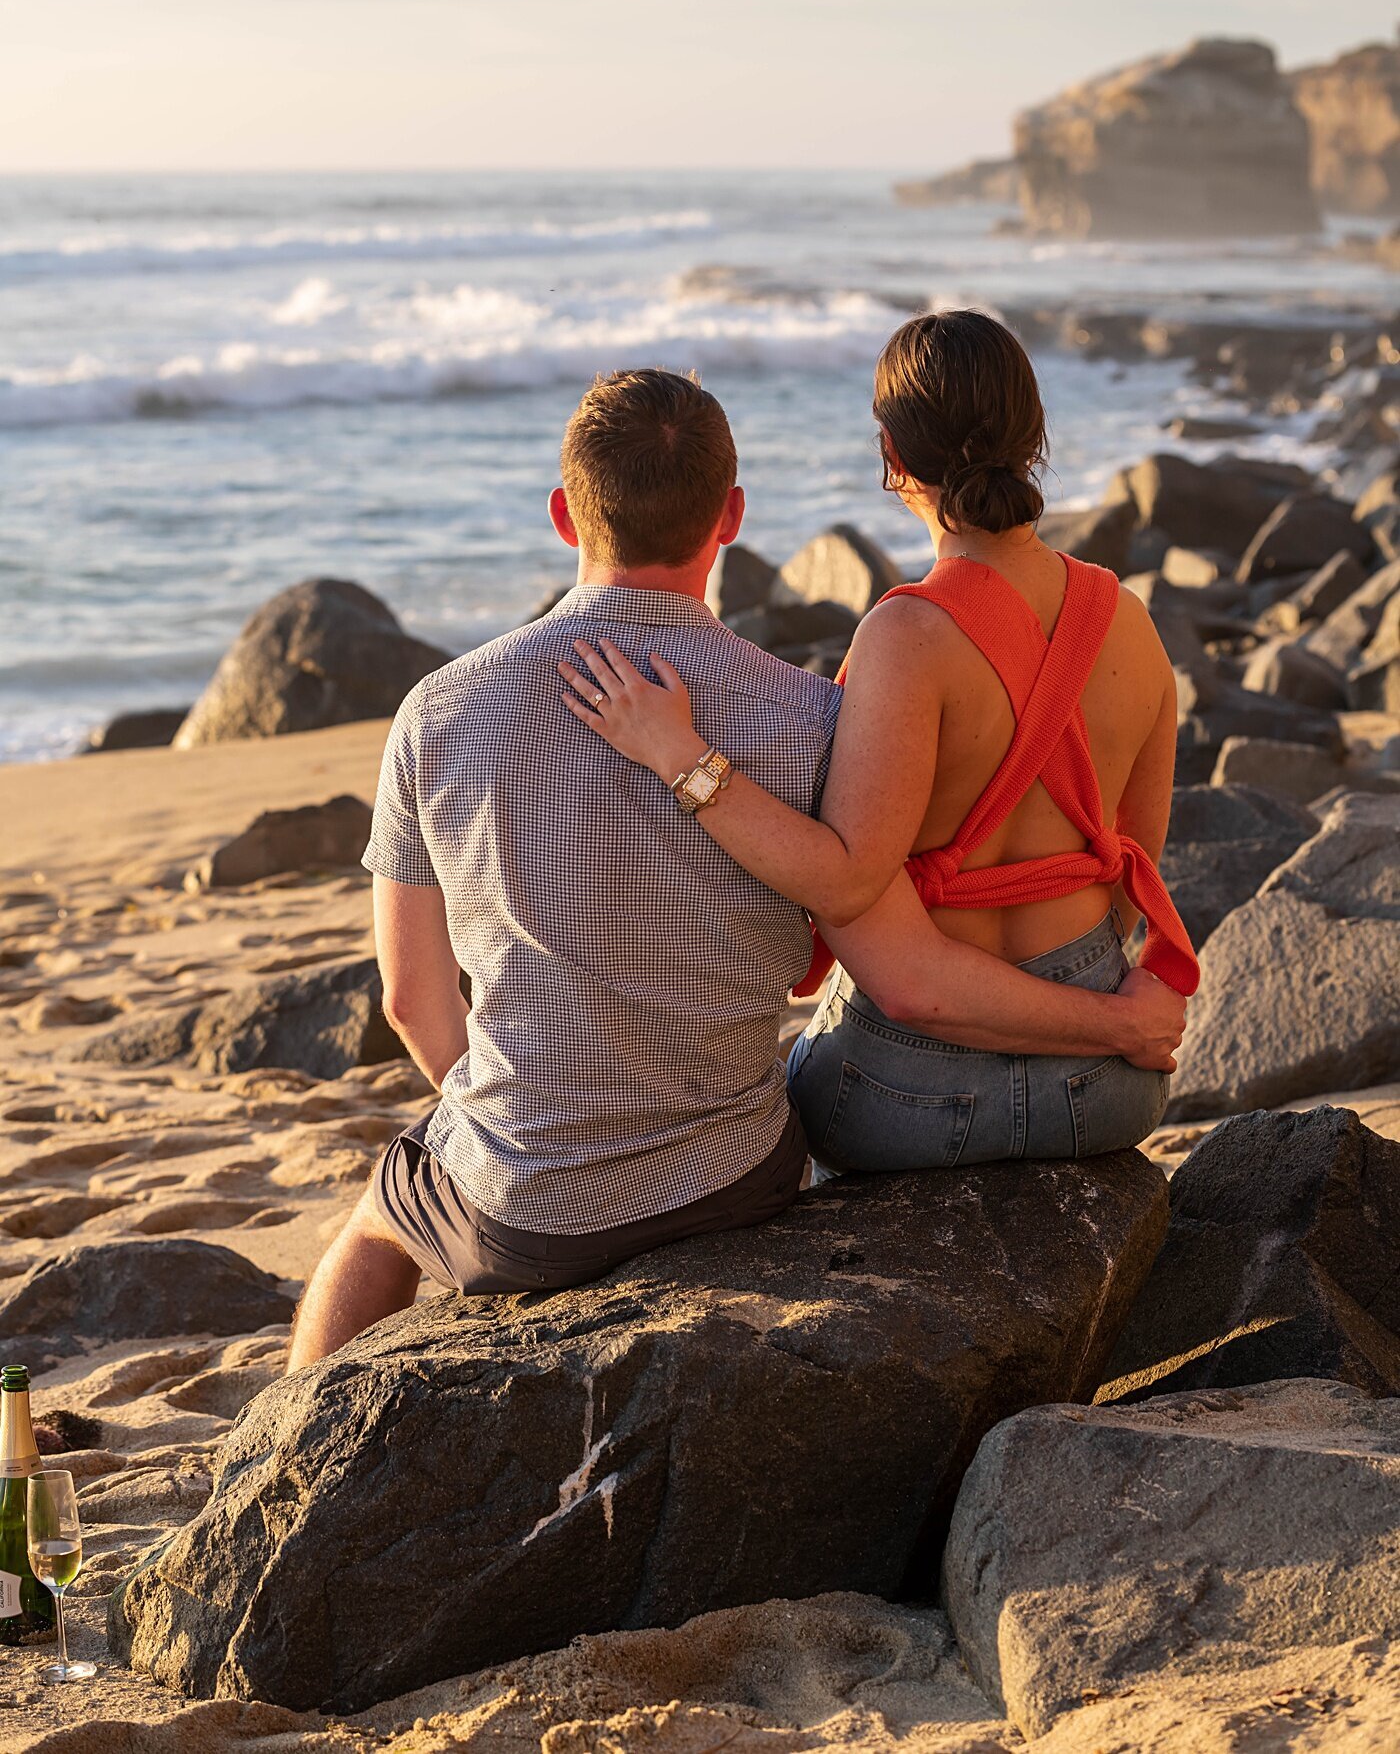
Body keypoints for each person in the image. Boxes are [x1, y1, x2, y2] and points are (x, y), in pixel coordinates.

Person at [288, 364, 1185, 1368]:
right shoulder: (813, 723)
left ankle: (278, 1454)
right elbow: (905, 955)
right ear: (731, 517)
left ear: (560, 515)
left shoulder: (437, 713)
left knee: (377, 1222)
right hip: (733, 1184)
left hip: (522, 1206)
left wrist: (532, 1133)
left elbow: (413, 1001)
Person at [561, 318, 1198, 1176]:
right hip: (1109, 1090)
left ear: (892, 453)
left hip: (910, 1096)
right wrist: (1097, 1012)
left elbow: (848, 886)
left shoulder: (906, 637)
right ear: (1033, 436)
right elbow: (1134, 860)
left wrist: (678, 754)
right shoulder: (1127, 622)